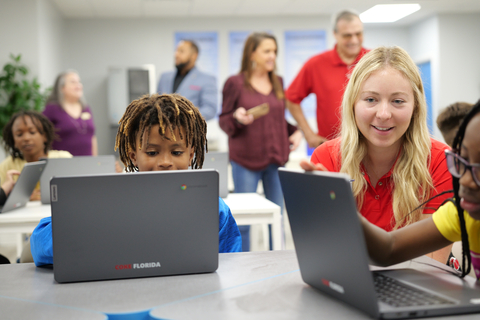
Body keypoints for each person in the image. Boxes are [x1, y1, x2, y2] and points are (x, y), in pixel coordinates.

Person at [30, 94, 242, 266]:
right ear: (133, 156)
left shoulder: (212, 208)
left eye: (177, 152)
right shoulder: (113, 199)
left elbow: (229, 263)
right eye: (151, 153)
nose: (165, 162)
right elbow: (40, 243)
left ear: (191, 154)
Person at [301, 46, 453, 264]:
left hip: (414, 289)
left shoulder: (440, 160)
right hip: (350, 283)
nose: (383, 114)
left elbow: (430, 266)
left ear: (416, 107)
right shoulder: (326, 158)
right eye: (371, 100)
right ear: (353, 103)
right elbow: (324, 256)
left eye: (398, 101)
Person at [361, 100, 480, 279]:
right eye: (462, 160)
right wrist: (342, 206)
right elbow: (389, 249)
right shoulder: (462, 213)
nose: (465, 180)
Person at [219, 32, 302, 251]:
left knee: (278, 217)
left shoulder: (278, 82)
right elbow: (224, 120)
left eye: (274, 51)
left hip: (276, 159)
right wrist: (237, 118)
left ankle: (278, 268)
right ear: (252, 53)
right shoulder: (235, 83)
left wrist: (296, 131)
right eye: (267, 51)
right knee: (244, 220)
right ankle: (242, 267)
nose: (272, 56)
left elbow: (278, 119)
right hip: (245, 160)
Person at [286, 10, 369, 148]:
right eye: (347, 35)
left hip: (369, 148)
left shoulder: (374, 61)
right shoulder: (316, 64)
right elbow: (291, 98)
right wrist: (308, 134)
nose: (354, 40)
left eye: (358, 34)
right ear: (335, 34)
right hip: (330, 148)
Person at [0, 111, 72, 204]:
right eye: (19, 134)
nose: (26, 138)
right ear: (14, 141)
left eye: (32, 132)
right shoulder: (7, 166)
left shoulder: (63, 159)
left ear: (44, 136)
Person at [157, 40, 217, 121]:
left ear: (194, 56)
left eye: (181, 51)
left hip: (189, 131)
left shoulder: (207, 79)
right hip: (163, 130)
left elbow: (210, 109)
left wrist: (185, 117)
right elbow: (156, 104)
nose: (176, 54)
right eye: (176, 51)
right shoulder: (164, 77)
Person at [43, 70, 97, 156]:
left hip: (88, 163)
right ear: (62, 88)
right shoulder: (52, 109)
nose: (78, 85)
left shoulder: (85, 108)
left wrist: (95, 160)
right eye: (73, 82)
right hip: (63, 164)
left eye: (79, 82)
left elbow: (92, 137)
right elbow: (41, 135)